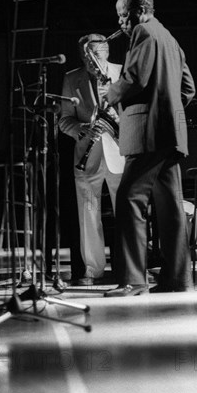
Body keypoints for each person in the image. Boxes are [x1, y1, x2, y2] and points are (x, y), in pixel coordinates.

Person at [105, 0, 196, 296]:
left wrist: (111, 93)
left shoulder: (143, 32)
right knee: (169, 207)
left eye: (123, 16)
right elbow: (188, 89)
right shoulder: (170, 38)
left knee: (129, 199)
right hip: (170, 134)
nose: (121, 24)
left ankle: (132, 279)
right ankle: (176, 279)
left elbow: (134, 80)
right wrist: (168, 109)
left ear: (141, 11)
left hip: (147, 132)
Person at [59, 34, 125, 285]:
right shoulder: (71, 78)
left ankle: (129, 267)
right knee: (88, 213)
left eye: (95, 54)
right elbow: (64, 119)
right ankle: (92, 269)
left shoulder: (122, 72)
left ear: (106, 52)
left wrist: (116, 119)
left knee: (127, 213)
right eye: (85, 55)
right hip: (87, 154)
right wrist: (82, 130)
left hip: (119, 151)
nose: (90, 60)